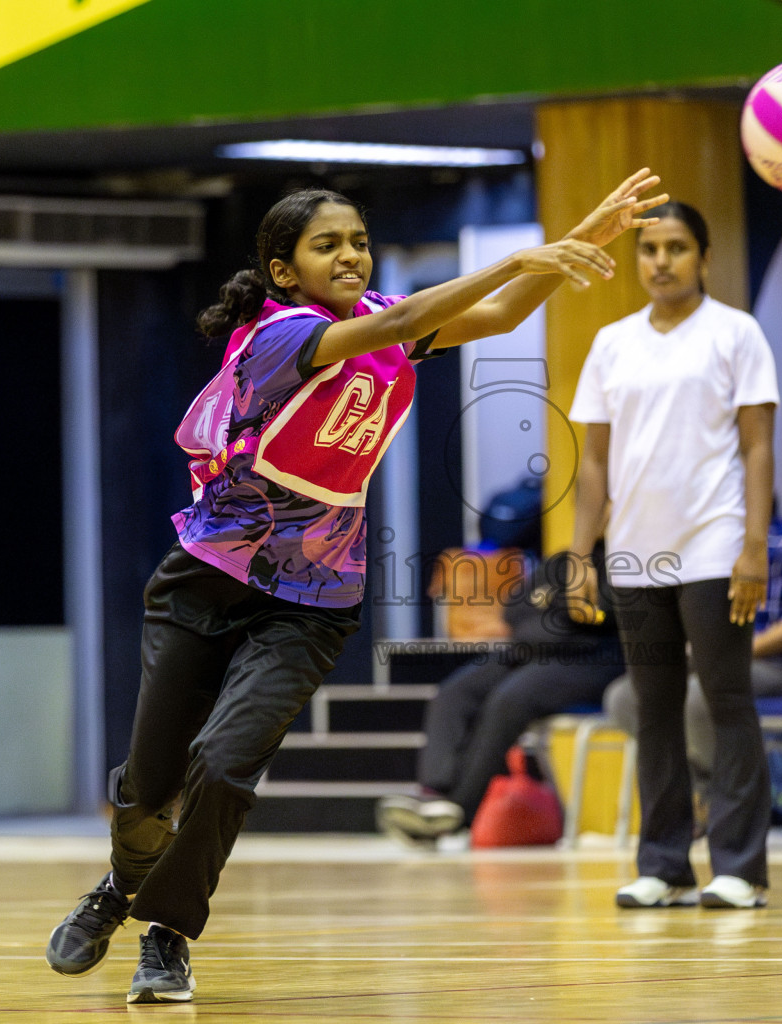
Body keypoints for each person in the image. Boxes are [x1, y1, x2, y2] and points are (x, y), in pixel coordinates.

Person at [43, 169, 667, 1004]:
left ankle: (167, 936)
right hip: (205, 580)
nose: (351, 256)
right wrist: (522, 253)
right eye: (328, 244)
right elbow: (416, 316)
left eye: (360, 242)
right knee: (150, 785)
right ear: (282, 270)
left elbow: (501, 314)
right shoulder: (276, 337)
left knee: (224, 769)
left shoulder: (377, 324)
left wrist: (575, 243)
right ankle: (118, 889)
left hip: (312, 598)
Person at [567, 200, 778, 910]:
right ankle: (662, 863)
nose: (660, 260)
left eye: (676, 247)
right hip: (634, 553)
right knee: (652, 707)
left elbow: (756, 446)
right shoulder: (610, 343)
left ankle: (739, 867)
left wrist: (754, 547)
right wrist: (578, 552)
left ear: (703, 258)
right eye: (649, 248)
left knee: (724, 700)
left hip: (716, 544)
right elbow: (593, 462)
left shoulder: (736, 335)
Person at [376, 547, 624, 845]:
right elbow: (515, 610)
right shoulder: (565, 560)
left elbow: (599, 614)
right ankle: (434, 794)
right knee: (455, 693)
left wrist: (552, 614)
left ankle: (457, 812)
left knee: (509, 700)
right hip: (530, 650)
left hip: (591, 656)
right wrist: (557, 616)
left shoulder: (626, 563)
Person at [602, 504, 782, 822]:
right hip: (711, 657)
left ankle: (734, 803)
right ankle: (703, 790)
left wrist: (726, 650)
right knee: (627, 697)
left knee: (699, 697)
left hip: (775, 666)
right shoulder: (705, 542)